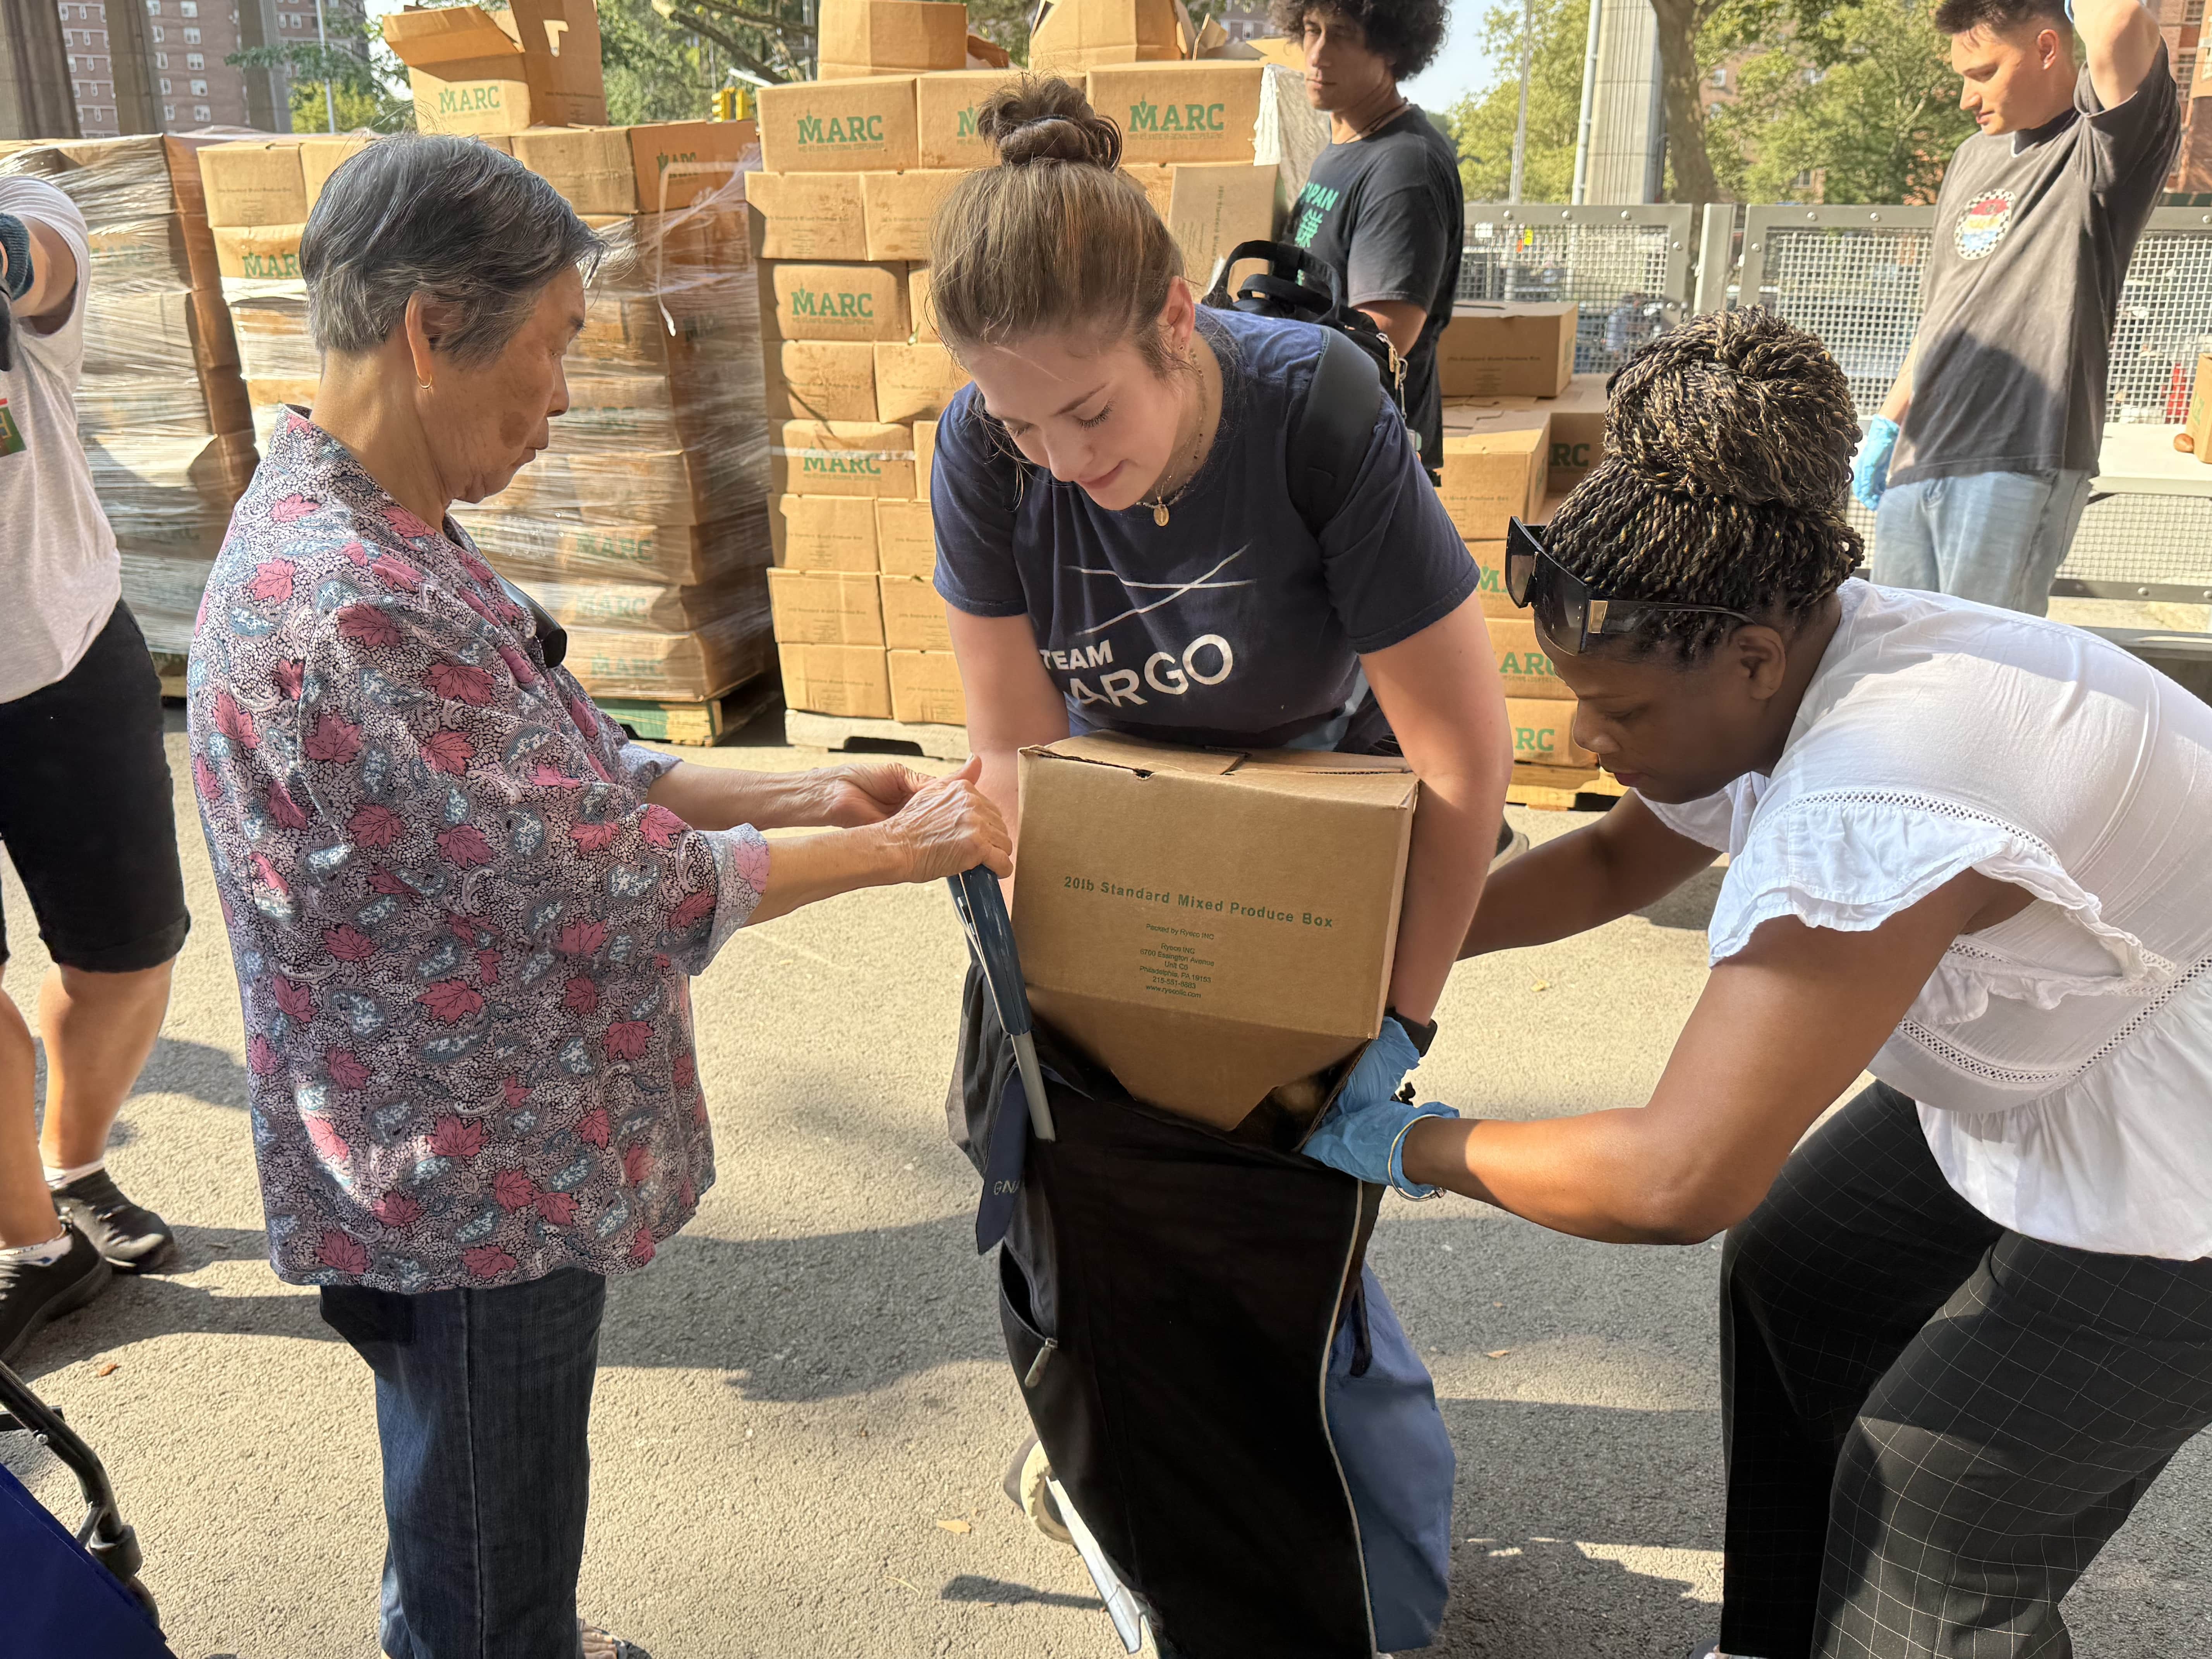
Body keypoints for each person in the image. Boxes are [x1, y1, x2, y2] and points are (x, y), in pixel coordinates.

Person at [187, 136, 1009, 1659]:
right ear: (433, 328)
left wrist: (817, 788)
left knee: (461, 1486)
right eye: (555, 344)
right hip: (464, 1184)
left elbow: (567, 768)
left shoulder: (384, 533)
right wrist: (909, 847)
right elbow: (599, 880)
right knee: (491, 1521)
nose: (564, 393)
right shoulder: (348, 600)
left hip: (455, 1160)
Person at [1308, 307, 2212, 1659]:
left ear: (1749, 659)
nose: (1582, 737)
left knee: (1939, 1524)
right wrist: (1384, 965)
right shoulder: (1799, 639)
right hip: (2099, 1021)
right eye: (1572, 695)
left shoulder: (1882, 787)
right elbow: (1617, 859)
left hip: (2186, 1110)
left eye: (1619, 712)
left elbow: (1678, 1177)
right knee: (1806, 1269)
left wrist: (1399, 1143)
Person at [928, 77, 1512, 1653]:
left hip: (1303, 843)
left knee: (1287, 1216)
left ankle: (1359, 1552)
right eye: (1020, 423)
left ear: (1178, 323)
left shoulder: (1315, 407)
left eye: (1093, 413)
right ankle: (1125, 1463)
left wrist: (1396, 1026)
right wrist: (1080, 1011)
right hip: (1102, 841)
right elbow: (1017, 757)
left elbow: (1461, 758)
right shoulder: (984, 456)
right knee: (1099, 1201)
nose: (1062, 462)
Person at [0, 174, 191, 1364]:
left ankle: (73, 1161)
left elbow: (34, 262)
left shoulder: (25, 208)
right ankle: (33, 1244)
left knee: (125, 956)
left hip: (60, 651)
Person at [1853, 0, 2181, 615]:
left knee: (1980, 672)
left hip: (2018, 456)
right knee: (1897, 660)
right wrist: (1888, 424)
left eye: (1983, 74)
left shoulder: (2102, 146)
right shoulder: (1971, 158)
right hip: (1919, 457)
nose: (1965, 99)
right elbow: (1944, 310)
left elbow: (2119, 19)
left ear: (2049, 49)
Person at [1273, 0, 1462, 478]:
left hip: (1368, 468)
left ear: (1392, 49)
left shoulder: (1404, 168)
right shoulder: (1343, 149)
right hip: (1320, 446)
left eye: (1341, 35)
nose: (1316, 54)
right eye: (1312, 30)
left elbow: (1383, 338)